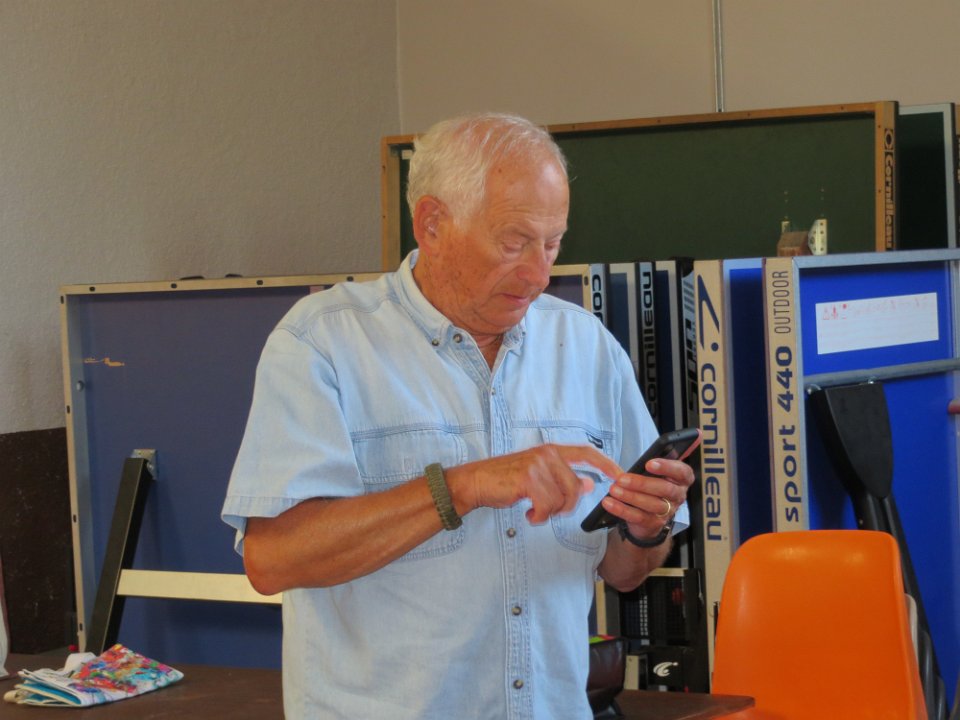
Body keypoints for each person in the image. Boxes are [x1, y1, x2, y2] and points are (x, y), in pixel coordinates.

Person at [221, 112, 697, 719]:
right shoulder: (323, 343)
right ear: (433, 224)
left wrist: (646, 525)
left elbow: (625, 572)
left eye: (553, 243)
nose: (538, 273)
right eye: (513, 242)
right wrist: (463, 486)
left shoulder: (587, 348)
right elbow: (273, 559)